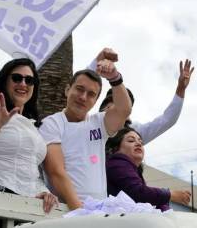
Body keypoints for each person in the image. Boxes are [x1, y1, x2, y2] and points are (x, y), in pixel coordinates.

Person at [0, 58, 58, 228]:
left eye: (29, 80)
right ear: (5, 81)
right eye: (17, 78)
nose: (23, 84)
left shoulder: (33, 126)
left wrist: (44, 192)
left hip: (26, 209)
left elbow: (29, 170)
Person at [39, 48, 132, 209]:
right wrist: (79, 211)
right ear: (68, 90)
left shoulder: (99, 122)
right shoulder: (51, 123)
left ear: (96, 101)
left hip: (100, 210)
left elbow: (124, 110)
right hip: (66, 210)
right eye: (79, 89)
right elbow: (55, 171)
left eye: (91, 94)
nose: (83, 97)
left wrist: (114, 77)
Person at [99, 59, 195, 144]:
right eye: (112, 105)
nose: (119, 109)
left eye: (126, 106)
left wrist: (181, 89)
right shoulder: (91, 125)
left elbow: (167, 119)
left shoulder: (135, 131)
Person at [106, 127, 191, 211]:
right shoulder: (117, 163)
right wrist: (170, 195)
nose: (138, 144)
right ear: (116, 149)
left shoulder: (130, 169)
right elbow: (139, 193)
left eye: (141, 142)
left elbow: (147, 201)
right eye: (131, 141)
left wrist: (165, 209)